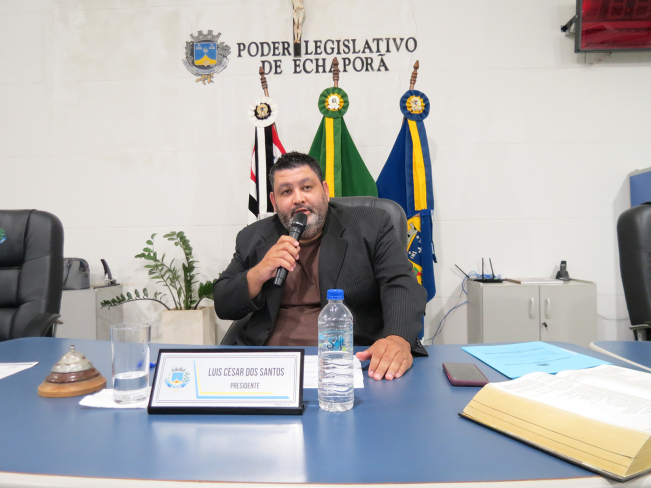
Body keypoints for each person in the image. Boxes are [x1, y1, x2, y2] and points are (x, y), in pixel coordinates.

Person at [214, 152, 427, 381]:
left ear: (325, 191)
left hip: (346, 362)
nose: (298, 199)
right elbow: (223, 303)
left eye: (307, 187)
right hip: (269, 366)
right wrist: (257, 274)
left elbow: (400, 284)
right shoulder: (253, 237)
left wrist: (397, 339)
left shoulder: (371, 225)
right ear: (274, 202)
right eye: (286, 192)